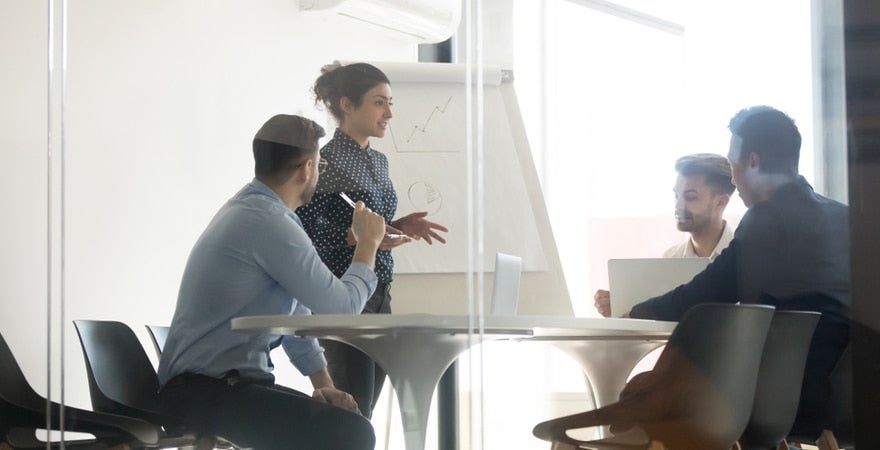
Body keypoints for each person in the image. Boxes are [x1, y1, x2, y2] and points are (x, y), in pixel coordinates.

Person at [596, 105, 850, 438]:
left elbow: (709, 291)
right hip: (847, 401)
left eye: (733, 164)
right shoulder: (844, 218)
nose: (732, 178)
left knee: (642, 397)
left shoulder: (768, 218)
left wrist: (636, 312)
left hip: (778, 403)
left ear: (754, 162)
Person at [157, 114, 387, 450]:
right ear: (307, 169)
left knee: (347, 425)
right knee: (352, 433)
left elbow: (295, 319)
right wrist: (368, 244)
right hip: (204, 393)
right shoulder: (270, 223)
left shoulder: (255, 210)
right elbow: (343, 309)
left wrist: (324, 385)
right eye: (319, 164)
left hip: (211, 388)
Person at [296, 62, 449, 419]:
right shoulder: (325, 162)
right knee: (350, 413)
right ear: (347, 105)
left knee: (365, 411)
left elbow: (363, 222)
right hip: (342, 300)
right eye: (380, 103)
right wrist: (356, 238)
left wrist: (396, 225)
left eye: (390, 103)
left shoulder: (378, 161)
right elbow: (303, 232)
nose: (390, 113)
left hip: (380, 297)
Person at [593, 153, 736, 317]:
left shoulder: (740, 256)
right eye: (676, 195)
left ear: (721, 202)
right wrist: (619, 308)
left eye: (690, 197)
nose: (678, 205)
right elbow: (656, 326)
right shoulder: (671, 257)